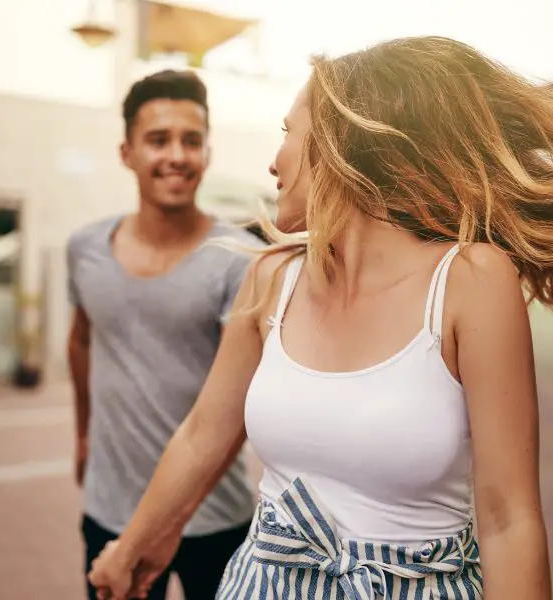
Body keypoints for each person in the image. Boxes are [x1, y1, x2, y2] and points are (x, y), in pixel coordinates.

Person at [88, 37, 553, 600]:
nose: (273, 159)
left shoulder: (470, 280)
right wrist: (135, 544)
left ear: (340, 143)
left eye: (288, 132)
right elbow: (202, 436)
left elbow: (509, 520)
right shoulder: (271, 278)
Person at [66, 69, 262, 600]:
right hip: (111, 512)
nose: (177, 154)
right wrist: (84, 434)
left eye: (191, 140)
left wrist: (175, 513)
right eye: (158, 140)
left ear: (208, 153)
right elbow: (82, 340)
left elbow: (240, 402)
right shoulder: (84, 248)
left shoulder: (239, 260)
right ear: (126, 152)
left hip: (214, 517)